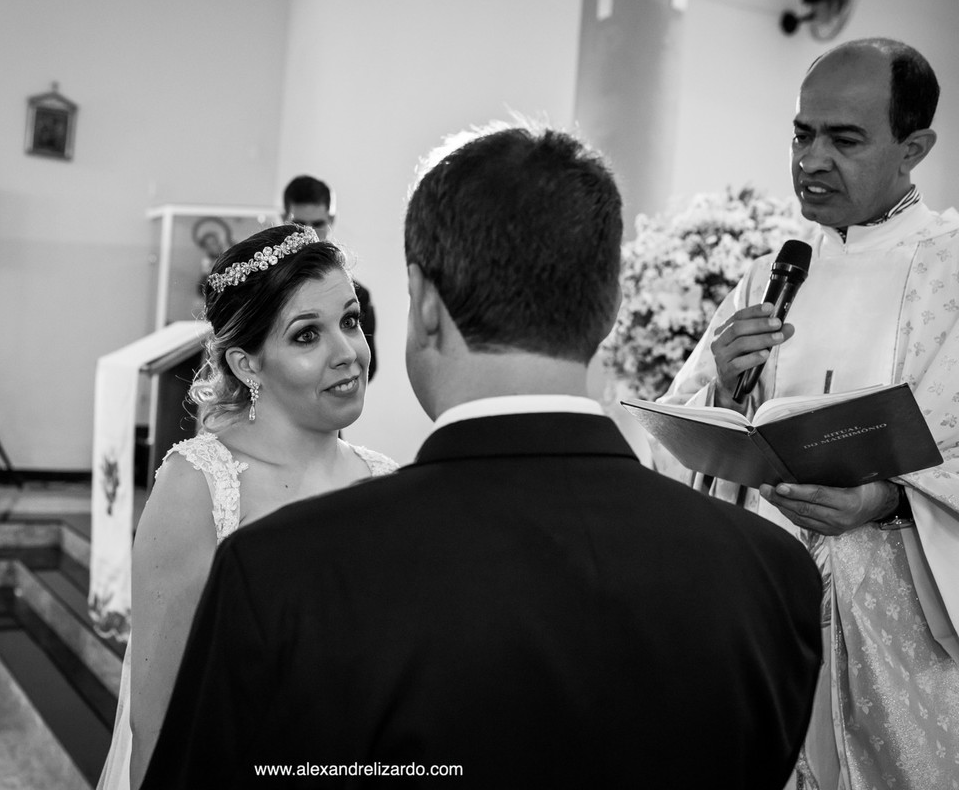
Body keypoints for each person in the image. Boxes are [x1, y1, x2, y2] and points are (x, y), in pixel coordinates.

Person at [141, 122, 823, 788]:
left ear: (425, 306)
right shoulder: (774, 577)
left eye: (349, 321)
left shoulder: (282, 570)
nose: (345, 350)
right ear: (612, 304)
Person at [659, 38, 959, 788]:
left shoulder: (950, 271)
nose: (811, 158)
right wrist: (724, 392)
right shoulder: (771, 272)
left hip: (899, 629)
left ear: (914, 147)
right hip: (760, 610)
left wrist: (886, 498)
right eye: (802, 133)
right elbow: (674, 435)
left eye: (844, 139)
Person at [96, 224, 397, 790]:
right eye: (307, 335)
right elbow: (157, 722)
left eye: (350, 321)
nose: (348, 353)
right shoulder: (201, 486)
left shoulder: (388, 482)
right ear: (247, 365)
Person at [283, 174, 379, 381]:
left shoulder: (358, 296)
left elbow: (367, 368)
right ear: (283, 218)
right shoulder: (260, 289)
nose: (308, 233)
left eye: (317, 224)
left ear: (331, 220)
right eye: (299, 223)